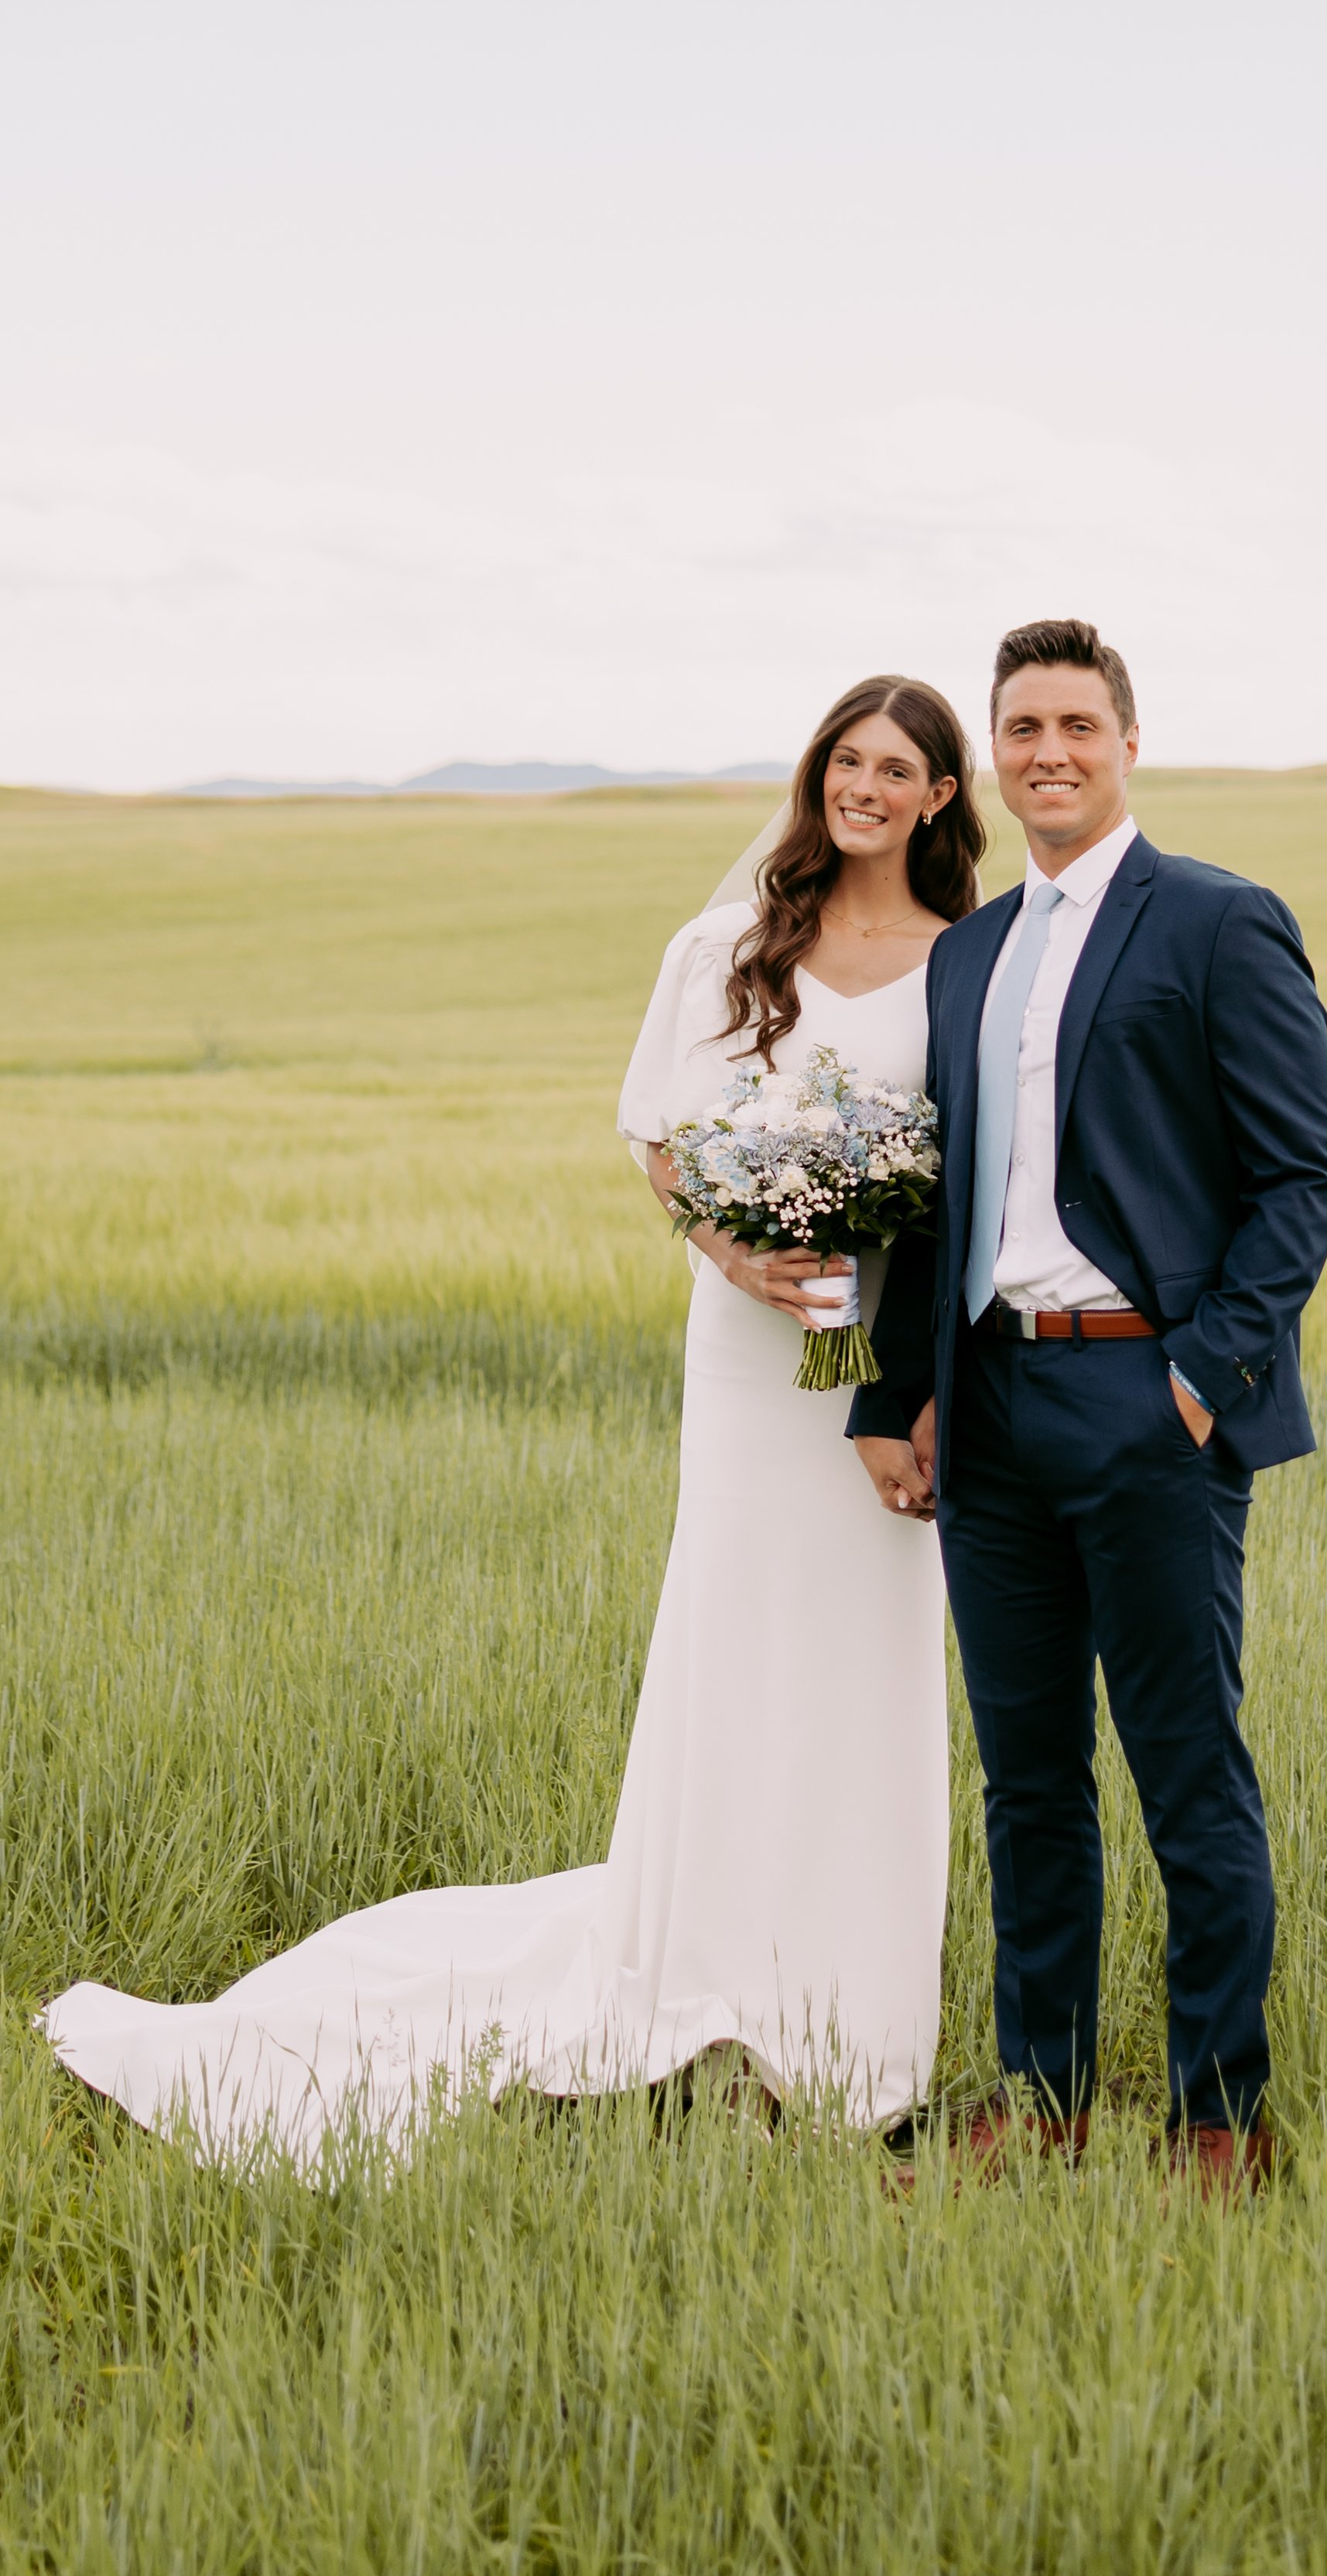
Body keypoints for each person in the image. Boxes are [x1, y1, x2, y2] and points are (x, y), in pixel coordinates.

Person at [42, 677, 983, 2168]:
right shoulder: (734, 942)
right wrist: (738, 1248)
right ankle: (703, 1981)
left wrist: (899, 1350)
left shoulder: (962, 963)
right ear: (819, 775)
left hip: (885, 1358)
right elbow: (665, 1137)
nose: (866, 786)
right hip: (754, 1349)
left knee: (869, 1649)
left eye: (899, 768)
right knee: (737, 1628)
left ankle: (850, 2021)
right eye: (846, 760)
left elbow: (968, 1170)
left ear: (942, 795)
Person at [851, 620, 1327, 2190]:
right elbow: (937, 1205)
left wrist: (1201, 1380)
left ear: (1127, 741)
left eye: (1074, 723)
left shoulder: (1215, 922)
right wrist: (894, 1393)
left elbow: (1299, 1178)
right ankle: (1040, 2096)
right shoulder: (967, 952)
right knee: (1030, 1780)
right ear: (990, 759)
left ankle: (1216, 2114)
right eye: (1020, 728)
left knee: (1184, 1767)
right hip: (992, 1416)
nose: (1046, 751)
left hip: (1148, 1405)